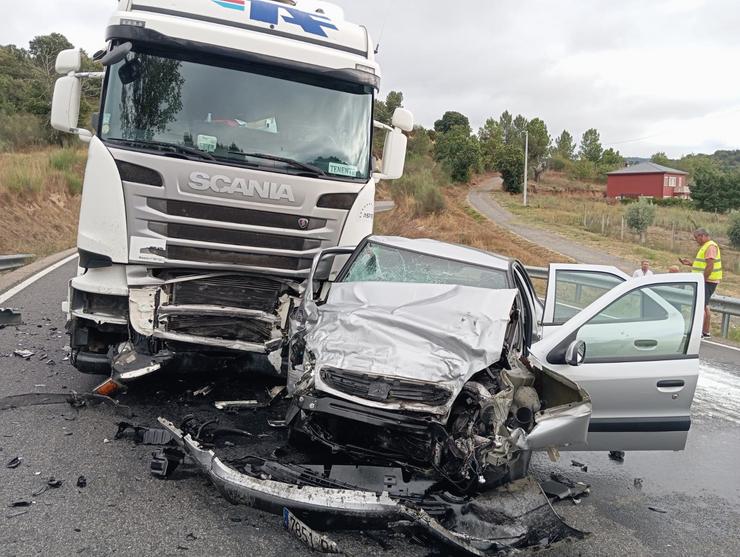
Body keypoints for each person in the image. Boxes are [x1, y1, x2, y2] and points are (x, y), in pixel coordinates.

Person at [680, 228, 722, 338]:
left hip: (707, 281)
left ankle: (698, 332)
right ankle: (705, 332)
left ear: (702, 236)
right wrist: (691, 264)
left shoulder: (710, 246)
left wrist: (702, 279)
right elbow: (703, 264)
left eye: (696, 238)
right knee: (705, 306)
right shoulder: (707, 246)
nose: (696, 241)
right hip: (708, 281)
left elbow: (710, 265)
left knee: (700, 307)